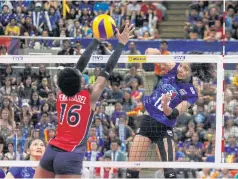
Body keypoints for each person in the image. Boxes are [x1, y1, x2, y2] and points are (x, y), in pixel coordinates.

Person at [33, 23, 134, 178]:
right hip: (70, 153)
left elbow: (78, 68)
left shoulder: (61, 94)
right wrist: (121, 44)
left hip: (51, 150)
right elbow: (107, 69)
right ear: (80, 82)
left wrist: (95, 41)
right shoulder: (90, 96)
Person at [126, 48, 215, 178]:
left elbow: (174, 114)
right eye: (182, 66)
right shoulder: (174, 67)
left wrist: (166, 106)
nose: (181, 70)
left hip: (164, 127)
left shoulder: (191, 93)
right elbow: (151, 51)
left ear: (193, 73)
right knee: (131, 171)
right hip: (147, 122)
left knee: (170, 173)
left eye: (186, 69)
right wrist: (153, 54)